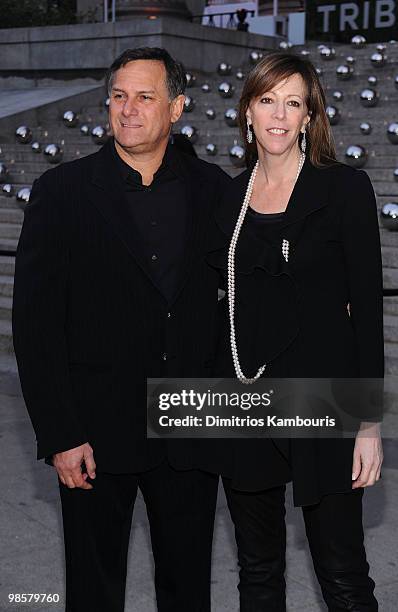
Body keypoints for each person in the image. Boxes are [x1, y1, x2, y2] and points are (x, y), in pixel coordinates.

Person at [12, 47, 230, 612]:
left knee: (188, 592)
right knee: (94, 591)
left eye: (145, 96)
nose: (127, 110)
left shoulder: (218, 192)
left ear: (178, 107)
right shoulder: (62, 193)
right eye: (118, 96)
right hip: (93, 434)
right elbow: (35, 325)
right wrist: (60, 432)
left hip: (190, 427)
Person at [205, 52, 384, 611]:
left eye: (293, 102)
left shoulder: (344, 190)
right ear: (247, 112)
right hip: (246, 399)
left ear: (309, 116)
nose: (279, 115)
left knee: (343, 575)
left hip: (324, 402)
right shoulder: (226, 198)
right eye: (267, 100)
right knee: (257, 573)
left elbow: (370, 315)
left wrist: (369, 425)